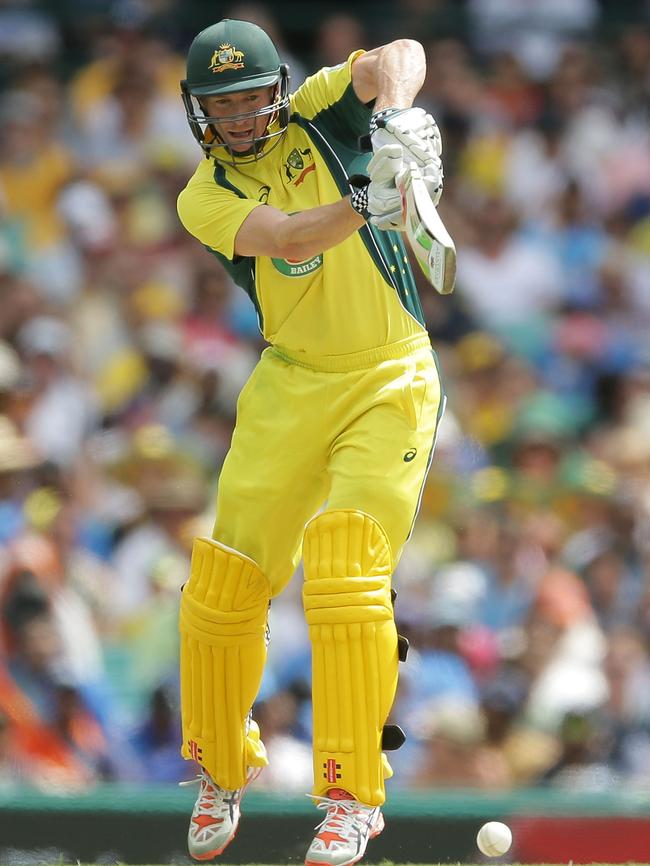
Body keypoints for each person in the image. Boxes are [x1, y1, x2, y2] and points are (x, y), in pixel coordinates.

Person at [176, 18, 445, 866]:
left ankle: (351, 797)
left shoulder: (321, 114)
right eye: (227, 106)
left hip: (390, 376)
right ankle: (220, 770)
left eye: (257, 96)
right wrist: (371, 198)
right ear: (200, 115)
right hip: (289, 382)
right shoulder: (203, 197)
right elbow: (291, 238)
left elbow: (398, 53)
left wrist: (396, 119)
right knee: (225, 584)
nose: (248, 117)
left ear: (279, 87)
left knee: (347, 567)